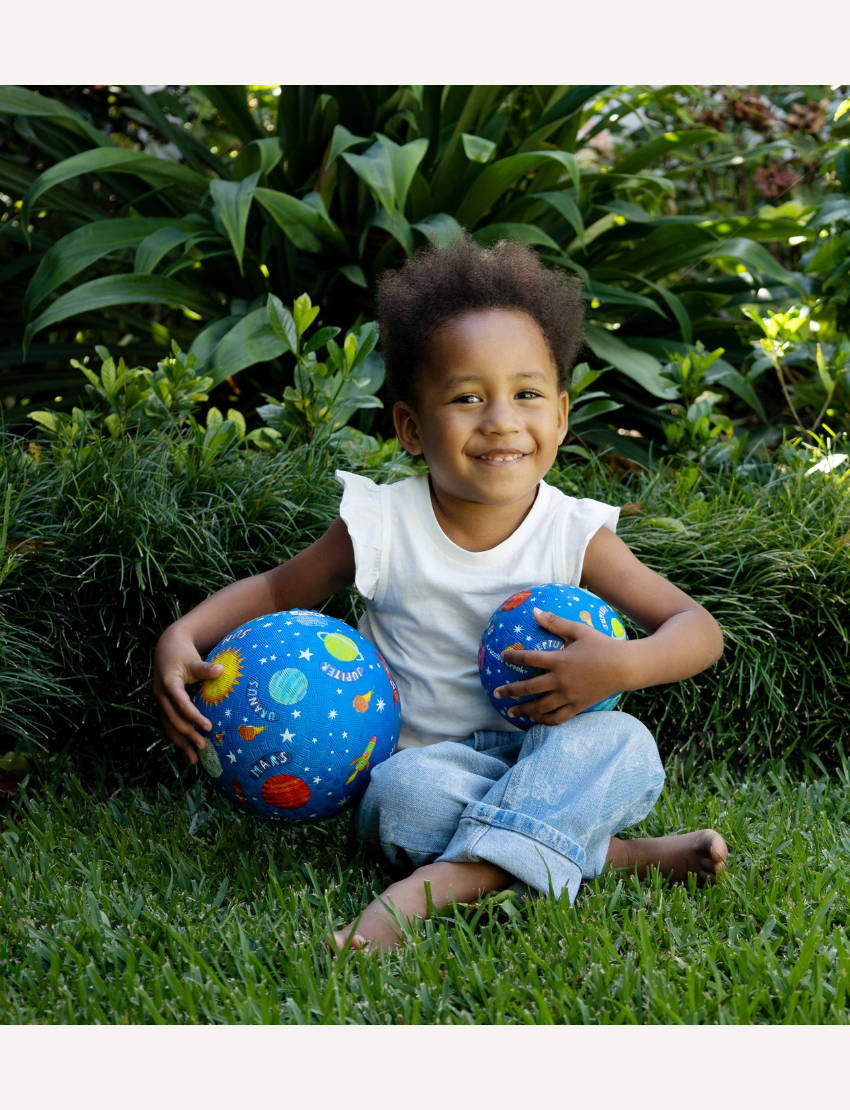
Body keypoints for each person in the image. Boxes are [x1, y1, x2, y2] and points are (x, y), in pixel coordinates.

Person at [153, 238, 728, 954]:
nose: (500, 419)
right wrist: (181, 635)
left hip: (548, 756)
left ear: (562, 415)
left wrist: (623, 666)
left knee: (625, 744)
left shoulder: (574, 532)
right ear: (410, 428)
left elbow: (697, 629)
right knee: (400, 800)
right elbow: (276, 587)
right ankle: (615, 855)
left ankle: (437, 887)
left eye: (526, 393)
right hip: (431, 769)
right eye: (466, 397)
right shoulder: (383, 524)